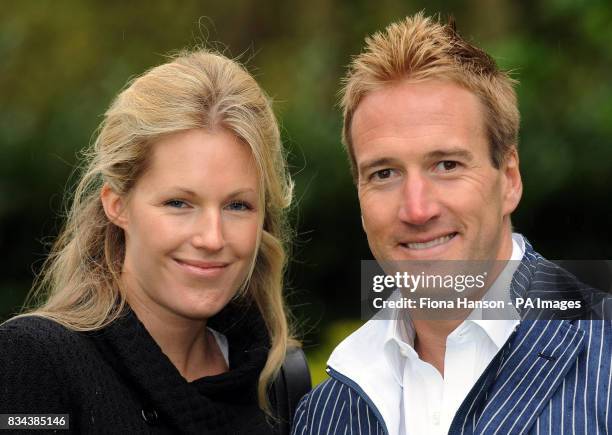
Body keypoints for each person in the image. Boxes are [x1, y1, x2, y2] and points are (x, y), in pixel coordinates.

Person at [292, 13, 611, 435]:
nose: (417, 209)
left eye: (446, 164)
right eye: (384, 173)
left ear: (509, 180)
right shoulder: (322, 414)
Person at [0, 49, 300, 434]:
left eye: (237, 205)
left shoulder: (277, 380)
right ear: (117, 205)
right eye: (179, 203)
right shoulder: (34, 363)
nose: (212, 237)